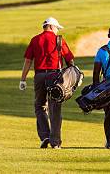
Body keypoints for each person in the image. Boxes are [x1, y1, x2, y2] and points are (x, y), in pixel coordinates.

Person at [20, 17, 75, 149]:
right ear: (51, 26)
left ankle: (45, 135)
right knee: (54, 109)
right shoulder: (59, 40)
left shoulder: (35, 39)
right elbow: (70, 60)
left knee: (40, 106)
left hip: (39, 76)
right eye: (56, 28)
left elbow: (28, 61)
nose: (57, 30)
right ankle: (55, 142)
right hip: (55, 76)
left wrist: (23, 79)